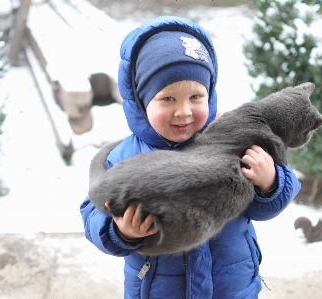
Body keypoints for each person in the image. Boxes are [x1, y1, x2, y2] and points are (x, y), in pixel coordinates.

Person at [80, 16, 301, 299]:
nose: (183, 111)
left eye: (196, 97)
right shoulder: (124, 158)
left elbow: (265, 209)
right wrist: (120, 232)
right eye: (168, 99)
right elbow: (92, 215)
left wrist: (270, 183)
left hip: (231, 289)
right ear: (140, 100)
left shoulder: (232, 141)